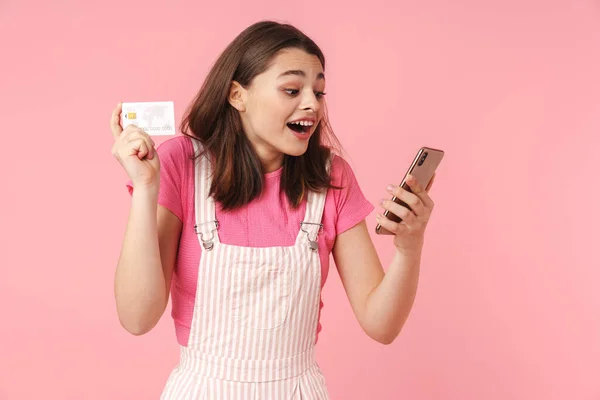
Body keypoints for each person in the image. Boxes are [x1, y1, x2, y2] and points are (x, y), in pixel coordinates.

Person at [110, 20, 436, 400]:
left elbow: (382, 325)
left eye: (319, 91)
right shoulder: (182, 165)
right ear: (237, 95)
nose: (312, 104)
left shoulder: (331, 178)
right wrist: (147, 188)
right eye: (291, 89)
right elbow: (137, 317)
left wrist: (409, 248)